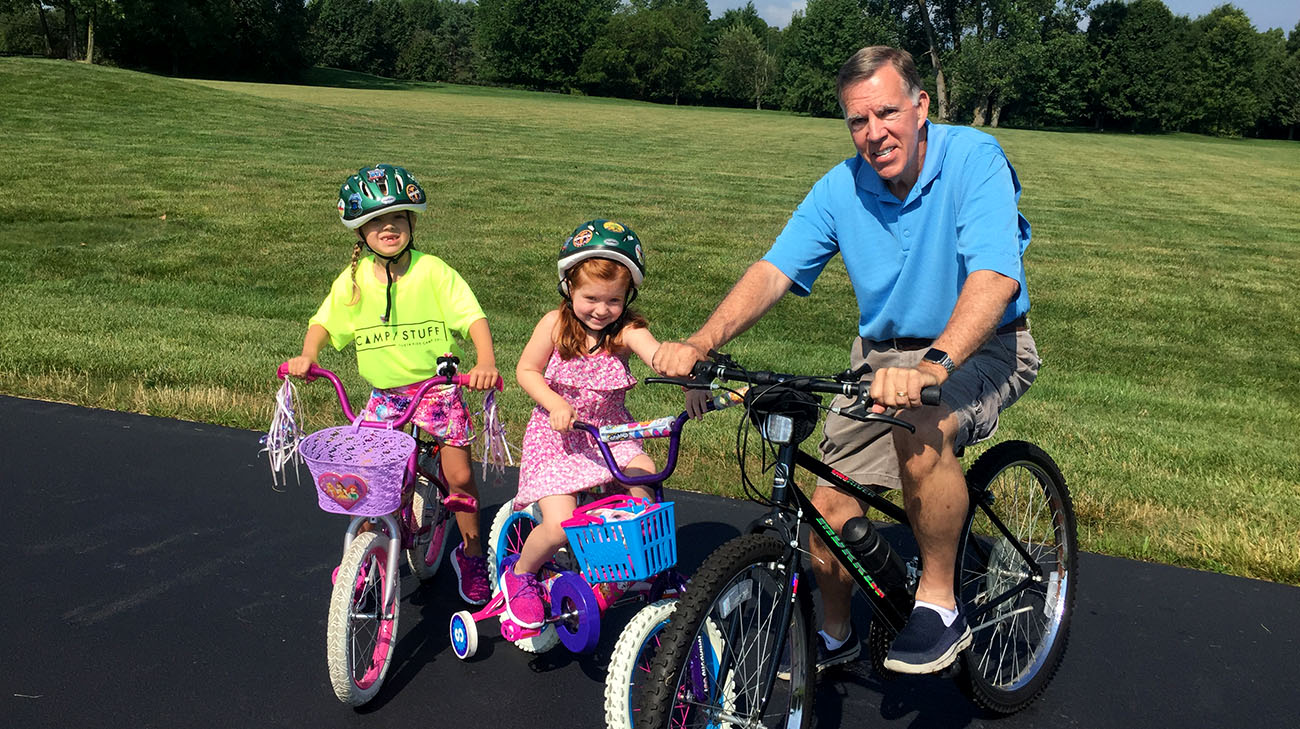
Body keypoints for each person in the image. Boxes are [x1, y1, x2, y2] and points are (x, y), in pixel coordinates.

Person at [656, 46, 1041, 675]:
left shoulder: (975, 159)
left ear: (920, 107)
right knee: (828, 505)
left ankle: (940, 604)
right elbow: (775, 270)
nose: (873, 133)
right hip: (882, 356)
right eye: (857, 121)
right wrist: (702, 343)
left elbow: (995, 278)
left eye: (886, 112)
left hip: (982, 342)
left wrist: (933, 367)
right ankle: (836, 637)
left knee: (923, 425)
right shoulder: (842, 186)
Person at [286, 164, 500, 606]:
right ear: (360, 232)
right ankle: (363, 562)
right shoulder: (354, 280)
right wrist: (309, 356)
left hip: (437, 392)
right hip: (385, 397)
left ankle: (473, 553)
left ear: (412, 224)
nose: (389, 227)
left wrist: (485, 361)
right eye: (377, 222)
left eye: (399, 218)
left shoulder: (433, 271)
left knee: (458, 476)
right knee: (368, 479)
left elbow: (471, 316)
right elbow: (324, 322)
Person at [502, 220, 662, 629]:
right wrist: (554, 402)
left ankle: (614, 573)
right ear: (568, 288)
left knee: (645, 491)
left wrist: (681, 370)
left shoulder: (627, 331)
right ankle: (519, 574)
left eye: (613, 300)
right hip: (558, 440)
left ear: (627, 298)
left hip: (610, 435)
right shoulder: (554, 326)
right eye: (590, 297)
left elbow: (655, 354)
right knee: (557, 526)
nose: (601, 309)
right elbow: (526, 370)